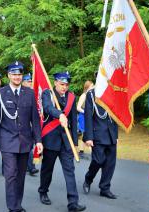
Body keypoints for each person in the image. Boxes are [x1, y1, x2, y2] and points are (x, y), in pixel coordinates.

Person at [0, 61, 43, 212]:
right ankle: (13, 207)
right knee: (11, 174)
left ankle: (17, 204)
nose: (17, 77)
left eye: (19, 74)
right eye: (14, 74)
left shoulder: (30, 93)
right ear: (8, 75)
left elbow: (35, 120)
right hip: (7, 141)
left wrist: (38, 140)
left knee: (20, 176)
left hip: (25, 141)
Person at [38, 72, 86, 212]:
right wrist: (59, 114)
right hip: (50, 138)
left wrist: (75, 143)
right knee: (48, 169)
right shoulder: (48, 94)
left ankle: (73, 202)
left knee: (69, 170)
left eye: (66, 84)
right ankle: (43, 191)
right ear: (55, 83)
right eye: (61, 84)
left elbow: (73, 120)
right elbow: (47, 107)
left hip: (66, 140)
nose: (64, 87)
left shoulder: (72, 97)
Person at [82, 88, 118, 199]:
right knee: (98, 160)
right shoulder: (92, 94)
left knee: (110, 163)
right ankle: (88, 179)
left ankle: (105, 188)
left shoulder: (113, 92)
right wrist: (88, 137)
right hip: (97, 133)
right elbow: (88, 116)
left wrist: (116, 135)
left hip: (111, 134)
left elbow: (116, 116)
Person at [21, 73, 39, 176]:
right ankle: (31, 167)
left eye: (31, 81)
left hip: (33, 124)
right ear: (23, 82)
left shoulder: (33, 93)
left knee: (29, 147)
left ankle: (28, 166)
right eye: (28, 81)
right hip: (24, 126)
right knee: (28, 147)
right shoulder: (22, 93)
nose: (30, 83)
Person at [77, 80, 94, 159]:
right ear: (87, 87)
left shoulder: (91, 96)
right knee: (82, 133)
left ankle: (91, 151)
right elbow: (78, 107)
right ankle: (81, 151)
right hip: (83, 116)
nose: (93, 87)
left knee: (89, 132)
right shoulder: (84, 95)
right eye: (91, 86)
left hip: (88, 117)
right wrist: (86, 112)